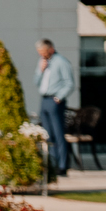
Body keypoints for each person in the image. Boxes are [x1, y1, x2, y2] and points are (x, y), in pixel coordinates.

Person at [36, 38, 75, 176]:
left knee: (58, 134)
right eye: (39, 52)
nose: (41, 55)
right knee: (47, 135)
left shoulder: (61, 62)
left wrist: (58, 97)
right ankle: (52, 164)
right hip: (44, 99)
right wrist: (41, 70)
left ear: (51, 49)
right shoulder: (43, 62)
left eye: (43, 52)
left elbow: (69, 83)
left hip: (54, 100)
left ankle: (63, 165)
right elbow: (37, 82)